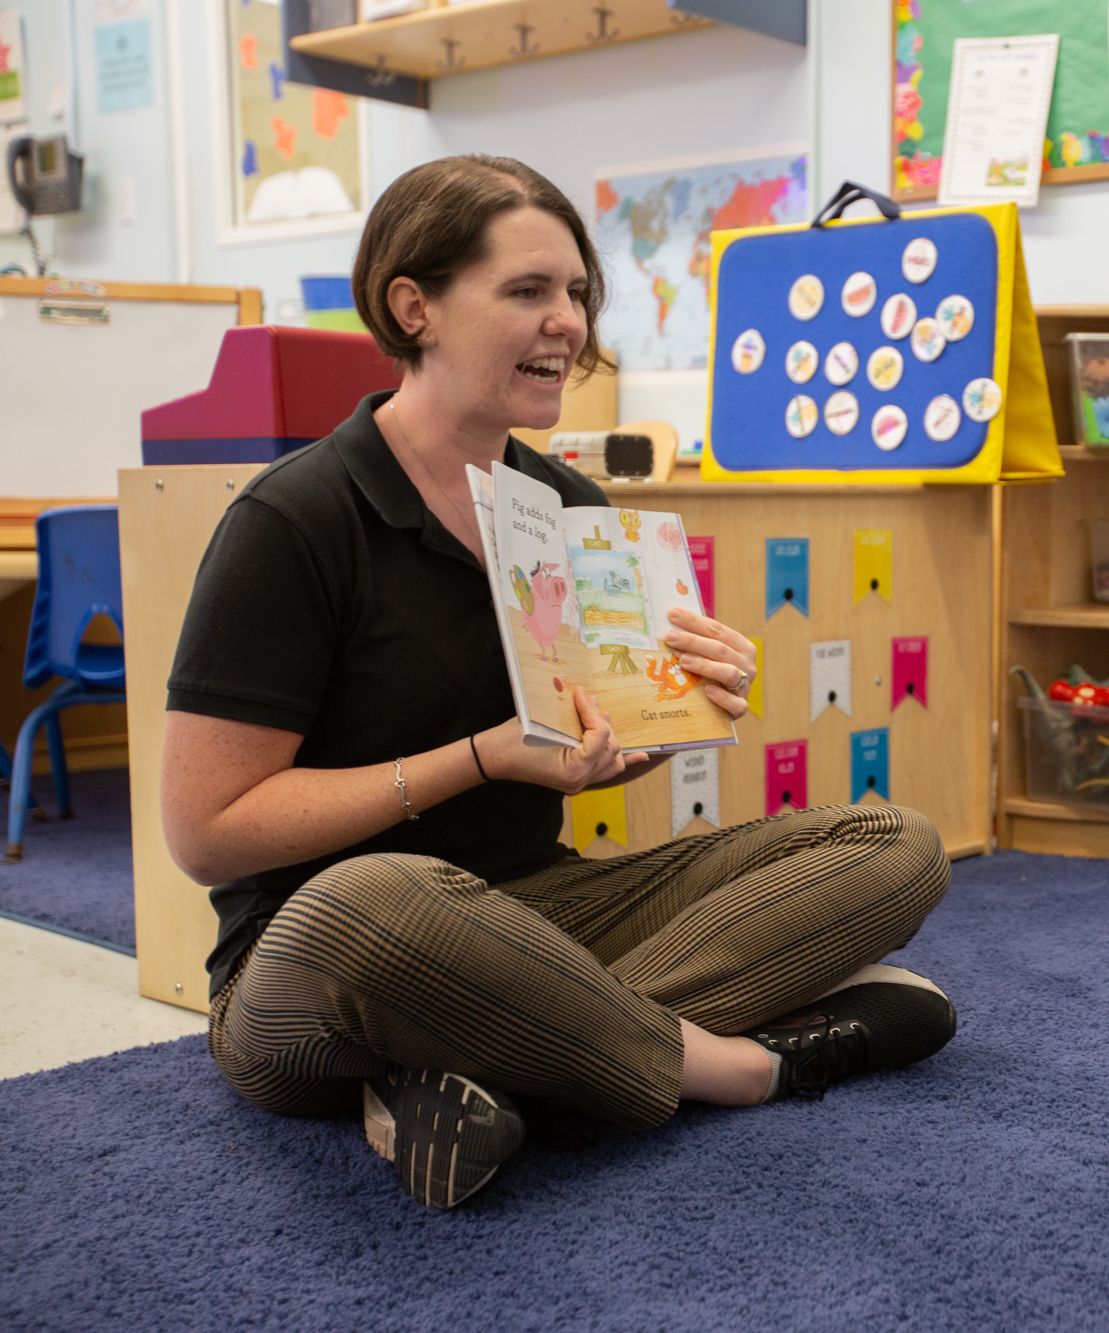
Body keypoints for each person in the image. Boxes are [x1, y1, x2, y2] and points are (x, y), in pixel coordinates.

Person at [161, 155, 957, 1211]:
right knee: (371, 895)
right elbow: (207, 832)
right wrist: (476, 757)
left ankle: (485, 1068)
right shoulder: (293, 520)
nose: (569, 323)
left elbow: (586, 764)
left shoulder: (568, 508)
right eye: (528, 290)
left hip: (533, 912)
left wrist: (672, 714)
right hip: (322, 960)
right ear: (417, 307)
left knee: (895, 844)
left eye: (577, 293)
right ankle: (738, 1065)